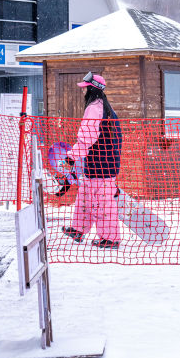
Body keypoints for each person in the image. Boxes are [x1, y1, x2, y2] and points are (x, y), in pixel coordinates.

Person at [57, 72, 123, 249]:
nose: (83, 92)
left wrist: (71, 158)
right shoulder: (107, 108)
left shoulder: (94, 108)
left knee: (102, 202)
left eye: (85, 88)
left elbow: (86, 138)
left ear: (92, 89)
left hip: (101, 164)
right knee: (85, 196)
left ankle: (110, 238)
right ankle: (78, 229)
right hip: (101, 163)